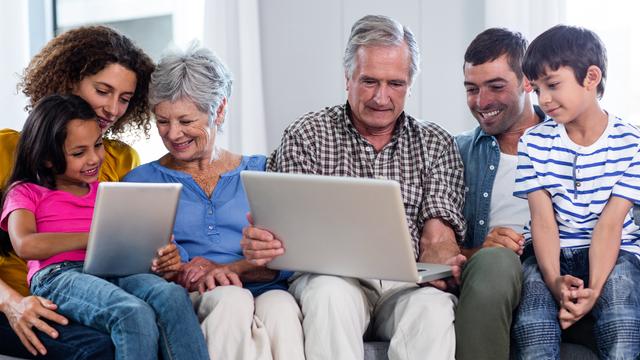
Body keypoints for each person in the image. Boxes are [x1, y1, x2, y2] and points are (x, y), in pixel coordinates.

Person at [241, 15, 466, 360]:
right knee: (330, 294)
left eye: (395, 84)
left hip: (406, 285)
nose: (381, 97)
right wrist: (266, 244)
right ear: (347, 78)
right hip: (330, 278)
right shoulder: (306, 135)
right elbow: (287, 235)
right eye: (369, 81)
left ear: (410, 84)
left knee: (434, 310)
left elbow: (438, 238)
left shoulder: (435, 142)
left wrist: (441, 264)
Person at [124, 44, 304, 360]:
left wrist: (228, 268)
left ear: (218, 110)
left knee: (283, 309)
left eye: (185, 120)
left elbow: (287, 259)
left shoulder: (262, 171)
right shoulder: (141, 182)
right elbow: (138, 268)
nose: (173, 133)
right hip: (195, 300)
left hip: (263, 290)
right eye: (163, 121)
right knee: (231, 301)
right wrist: (171, 268)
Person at [1, 94, 208, 360]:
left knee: (172, 296)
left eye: (97, 145)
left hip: (111, 269)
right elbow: (26, 244)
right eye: (79, 152)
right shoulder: (26, 192)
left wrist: (154, 249)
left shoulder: (107, 192)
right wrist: (93, 238)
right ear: (47, 159)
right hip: (58, 276)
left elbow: (129, 244)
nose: (94, 158)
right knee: (131, 312)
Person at [0, 25, 154, 359]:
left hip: (92, 292)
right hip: (18, 299)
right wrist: (13, 303)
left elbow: (124, 243)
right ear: (70, 80)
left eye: (125, 99)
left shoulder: (121, 159)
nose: (112, 109)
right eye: (103, 91)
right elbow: (28, 243)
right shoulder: (6, 149)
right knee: (99, 347)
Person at [512, 25, 640, 359]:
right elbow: (542, 221)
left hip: (615, 252)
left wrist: (594, 290)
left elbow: (611, 224)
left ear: (591, 77)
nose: (544, 100)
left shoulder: (632, 143)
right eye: (537, 89)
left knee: (621, 310)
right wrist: (554, 280)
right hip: (551, 252)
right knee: (533, 321)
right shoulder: (533, 143)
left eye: (553, 85)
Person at [454, 28, 543, 360]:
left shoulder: (572, 145)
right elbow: (428, 250)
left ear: (528, 82)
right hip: (489, 282)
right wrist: (481, 251)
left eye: (496, 86)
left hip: (558, 280)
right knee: (496, 262)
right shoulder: (454, 152)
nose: (482, 102)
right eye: (472, 89)